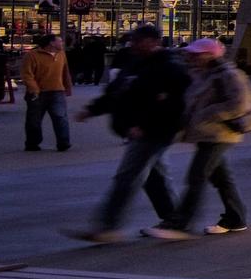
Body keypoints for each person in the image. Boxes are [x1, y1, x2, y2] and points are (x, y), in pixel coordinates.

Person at [65, 23, 187, 242]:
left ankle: (107, 226)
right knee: (153, 176)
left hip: (154, 131)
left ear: (154, 42)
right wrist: (92, 109)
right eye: (133, 40)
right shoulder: (136, 64)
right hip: (138, 130)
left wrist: (144, 124)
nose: (133, 44)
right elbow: (117, 93)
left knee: (128, 176)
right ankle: (175, 219)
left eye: (138, 41)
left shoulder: (169, 67)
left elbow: (172, 104)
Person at [153, 38, 251, 238]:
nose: (191, 57)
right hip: (207, 133)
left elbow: (240, 104)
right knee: (221, 178)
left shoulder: (228, 74)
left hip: (220, 133)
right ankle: (236, 218)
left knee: (197, 175)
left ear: (210, 55)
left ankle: (181, 224)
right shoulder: (201, 74)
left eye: (196, 54)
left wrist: (209, 113)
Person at [21, 31, 72, 152]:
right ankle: (32, 143)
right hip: (38, 92)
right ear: (51, 43)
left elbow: (65, 71)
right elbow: (27, 74)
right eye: (59, 41)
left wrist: (67, 86)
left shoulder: (61, 54)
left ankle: (63, 142)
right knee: (34, 120)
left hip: (57, 91)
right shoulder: (32, 55)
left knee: (60, 117)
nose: (62, 43)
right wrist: (33, 88)